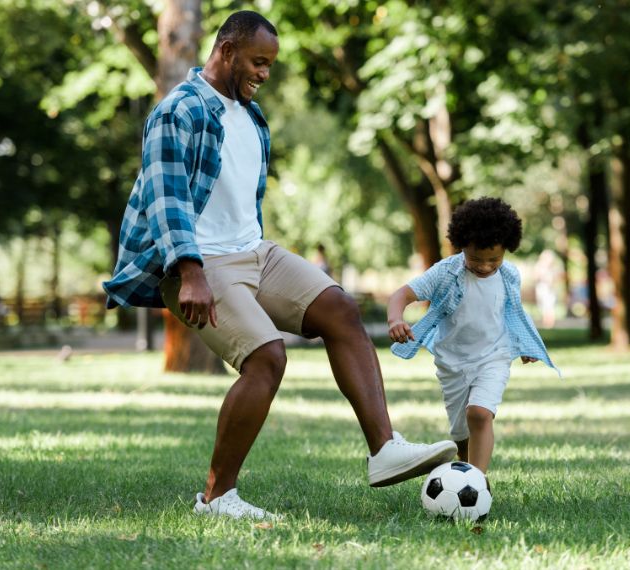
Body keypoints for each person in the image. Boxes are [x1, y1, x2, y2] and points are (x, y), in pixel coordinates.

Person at [102, 11, 456, 520]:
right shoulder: (178, 110)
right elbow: (167, 199)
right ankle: (216, 498)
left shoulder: (250, 114)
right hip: (200, 263)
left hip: (253, 251)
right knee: (267, 358)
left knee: (340, 309)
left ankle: (384, 450)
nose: (265, 73)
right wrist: (191, 272)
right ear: (226, 51)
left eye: (269, 64)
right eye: (258, 61)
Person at [386, 197, 560, 473]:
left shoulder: (509, 275)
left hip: (494, 356)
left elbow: (513, 311)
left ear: (506, 249)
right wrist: (396, 318)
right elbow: (402, 295)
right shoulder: (445, 272)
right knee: (461, 437)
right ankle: (465, 476)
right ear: (462, 244)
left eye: (494, 259)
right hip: (452, 362)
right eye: (476, 258)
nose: (486, 266)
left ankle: (478, 483)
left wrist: (525, 343)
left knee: (479, 414)